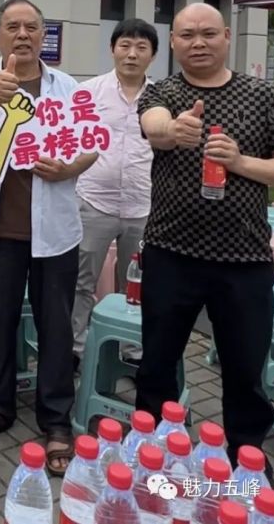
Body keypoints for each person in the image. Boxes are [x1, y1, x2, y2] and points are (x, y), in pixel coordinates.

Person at [135, 2, 274, 482]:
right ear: (173, 42)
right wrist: (172, 130)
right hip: (170, 254)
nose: (197, 43)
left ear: (226, 36)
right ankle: (153, 453)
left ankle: (248, 463)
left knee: (245, 372)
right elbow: (153, 124)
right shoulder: (163, 90)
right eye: (186, 35)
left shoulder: (262, 96)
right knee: (157, 364)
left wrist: (240, 163)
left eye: (207, 33)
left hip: (244, 260)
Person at [0, 0, 97, 476]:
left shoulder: (67, 86)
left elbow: (91, 144)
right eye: (13, 26)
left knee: (56, 326)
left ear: (43, 35)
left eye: (32, 27)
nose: (23, 34)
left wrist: (69, 168)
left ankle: (55, 420)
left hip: (55, 231)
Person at [71, 18, 158, 368]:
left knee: (137, 283)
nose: (132, 54)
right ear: (112, 49)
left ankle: (132, 351)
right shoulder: (88, 93)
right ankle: (74, 349)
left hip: (143, 206)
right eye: (125, 45)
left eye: (141, 47)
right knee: (81, 280)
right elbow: (70, 140)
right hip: (94, 202)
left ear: (153, 55)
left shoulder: (161, 98)